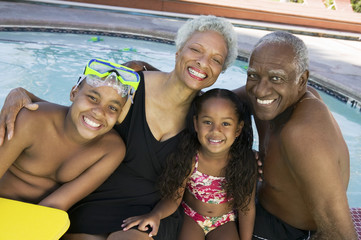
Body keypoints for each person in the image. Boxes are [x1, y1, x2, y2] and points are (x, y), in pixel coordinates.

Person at [0, 15, 238, 240]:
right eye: (196, 49)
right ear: (178, 50)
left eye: (216, 59)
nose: (203, 62)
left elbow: (231, 129)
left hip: (151, 212)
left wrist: (252, 157)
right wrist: (21, 94)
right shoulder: (130, 84)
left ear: (221, 70)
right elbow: (79, 113)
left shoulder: (206, 116)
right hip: (95, 200)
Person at [233, 31, 357, 239]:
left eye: (276, 78)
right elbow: (207, 106)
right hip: (262, 210)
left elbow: (340, 233)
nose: (261, 91)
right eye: (253, 75)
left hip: (288, 232)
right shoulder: (268, 98)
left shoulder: (302, 133)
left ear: (302, 81)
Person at [0, 58, 140, 213]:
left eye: (112, 107)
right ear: (73, 93)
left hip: (42, 218)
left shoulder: (111, 150)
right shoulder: (30, 120)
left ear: (120, 115)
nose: (99, 112)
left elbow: (56, 205)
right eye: (93, 98)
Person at [121, 88, 257, 240]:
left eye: (225, 123)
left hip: (224, 221)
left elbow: (247, 208)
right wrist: (155, 215)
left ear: (238, 129)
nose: (215, 130)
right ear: (196, 124)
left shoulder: (245, 162)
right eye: (207, 122)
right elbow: (174, 198)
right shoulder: (191, 158)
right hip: (191, 217)